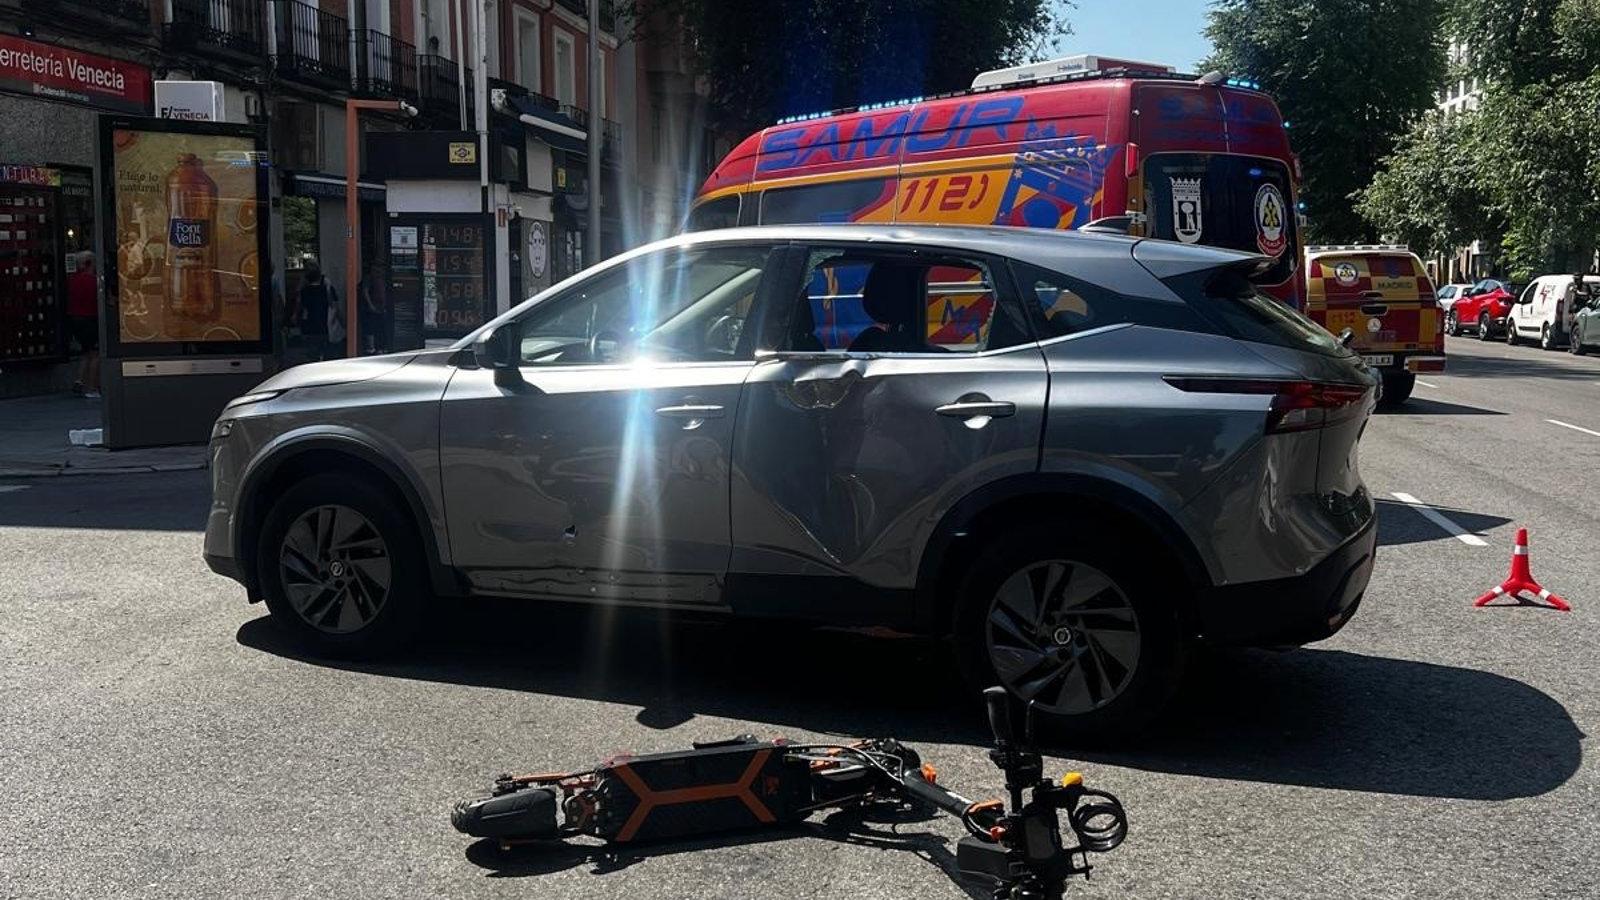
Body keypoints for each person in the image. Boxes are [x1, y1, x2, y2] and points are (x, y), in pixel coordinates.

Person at [66, 252, 99, 399]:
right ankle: (92, 387)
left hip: (75, 319)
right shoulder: (93, 281)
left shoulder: (73, 280)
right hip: (90, 319)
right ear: (89, 263)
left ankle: (79, 380)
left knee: (86, 352)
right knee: (95, 354)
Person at [294, 261, 340, 361]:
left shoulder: (304, 291)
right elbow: (334, 306)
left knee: (311, 353)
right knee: (326, 352)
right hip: (324, 325)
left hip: (309, 326)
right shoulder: (327, 289)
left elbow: (301, 307)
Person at [358, 262, 389, 354]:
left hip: (381, 306)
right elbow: (365, 291)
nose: (379, 270)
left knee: (381, 327)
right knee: (371, 327)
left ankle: (380, 347)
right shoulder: (369, 278)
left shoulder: (383, 279)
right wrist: (370, 304)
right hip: (372, 307)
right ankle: (371, 347)